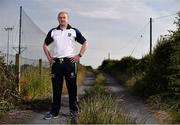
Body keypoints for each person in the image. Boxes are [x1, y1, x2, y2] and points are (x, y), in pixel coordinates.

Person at [43, 11, 88, 120]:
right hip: (56, 63)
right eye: (60, 17)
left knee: (72, 88)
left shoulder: (74, 31)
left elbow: (85, 43)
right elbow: (45, 45)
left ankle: (74, 112)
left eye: (64, 17)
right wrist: (49, 58)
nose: (62, 19)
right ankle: (54, 112)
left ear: (67, 19)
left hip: (70, 62)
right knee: (56, 89)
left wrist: (79, 55)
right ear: (58, 19)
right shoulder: (53, 32)